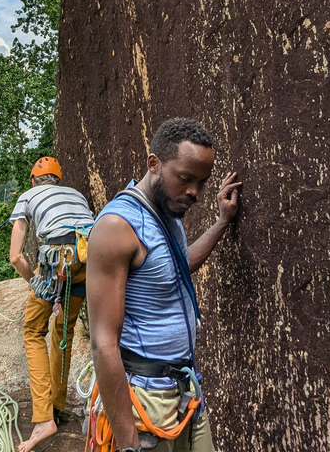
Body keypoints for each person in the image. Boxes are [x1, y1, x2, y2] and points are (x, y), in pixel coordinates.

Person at [86, 118, 241, 452]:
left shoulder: (166, 213)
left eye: (202, 182)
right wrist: (128, 445)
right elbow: (103, 343)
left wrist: (221, 223)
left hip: (185, 389)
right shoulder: (118, 226)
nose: (194, 192)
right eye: (185, 178)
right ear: (153, 163)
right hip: (146, 399)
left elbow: (176, 268)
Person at [9, 156, 94, 452]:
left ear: (33, 180)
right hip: (87, 256)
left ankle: (45, 418)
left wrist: (34, 282)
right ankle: (57, 404)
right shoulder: (77, 195)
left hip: (56, 259)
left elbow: (16, 257)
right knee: (63, 330)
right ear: (58, 180)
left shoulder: (27, 196)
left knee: (33, 331)